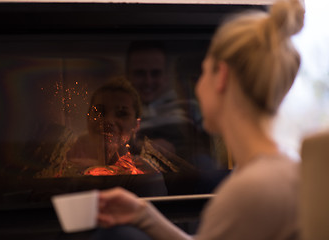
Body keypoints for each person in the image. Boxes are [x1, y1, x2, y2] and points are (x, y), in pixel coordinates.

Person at [97, 0, 305, 239]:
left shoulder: (247, 191)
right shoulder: (277, 172)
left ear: (221, 77)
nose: (197, 87)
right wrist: (145, 215)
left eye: (204, 72)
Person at [126, 40, 214, 166]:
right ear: (128, 75)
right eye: (140, 73)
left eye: (155, 73)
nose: (148, 81)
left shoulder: (189, 107)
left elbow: (208, 150)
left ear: (166, 76)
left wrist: (174, 151)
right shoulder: (118, 112)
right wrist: (141, 146)